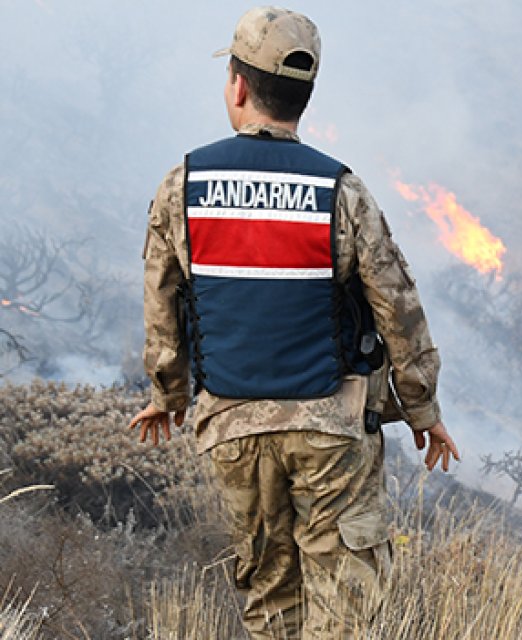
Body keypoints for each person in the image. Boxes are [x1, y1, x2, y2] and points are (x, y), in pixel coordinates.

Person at [127, 7, 460, 637]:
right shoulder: (341, 191)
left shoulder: (184, 185)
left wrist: (166, 393)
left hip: (232, 427)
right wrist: (422, 409)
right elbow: (398, 306)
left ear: (238, 86)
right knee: (346, 607)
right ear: (304, 97)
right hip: (331, 428)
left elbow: (161, 298)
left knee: (269, 598)